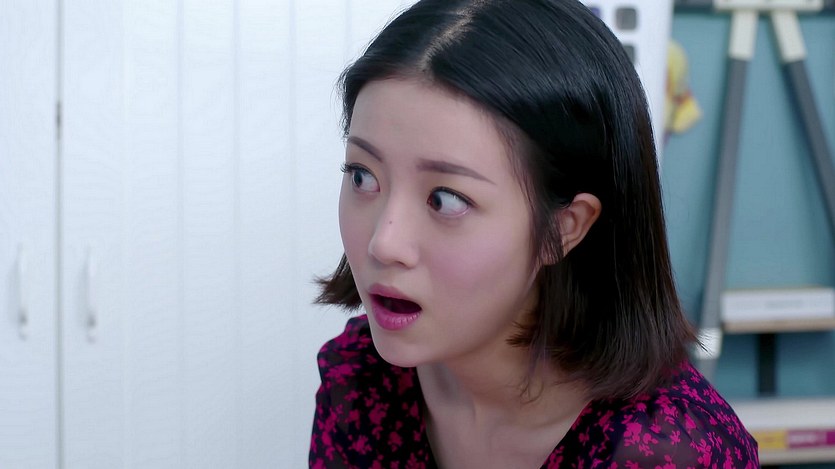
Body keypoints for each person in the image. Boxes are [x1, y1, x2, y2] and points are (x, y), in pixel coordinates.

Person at [309, 0, 759, 467]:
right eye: (362, 175)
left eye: (445, 199)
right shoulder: (361, 382)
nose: (384, 243)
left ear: (564, 228)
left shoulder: (665, 452)